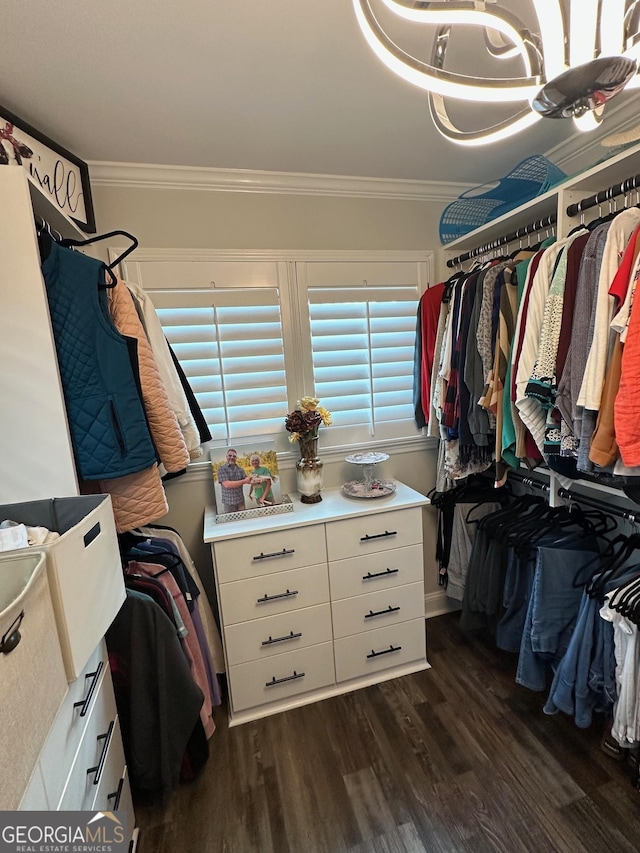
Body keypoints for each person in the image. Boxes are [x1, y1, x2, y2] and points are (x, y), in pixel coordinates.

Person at [216, 449, 251, 513]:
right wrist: (244, 481)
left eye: (234, 456)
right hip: (228, 503)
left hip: (241, 502)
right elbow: (227, 485)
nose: (232, 457)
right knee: (231, 522)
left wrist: (259, 479)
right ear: (226, 457)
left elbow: (249, 480)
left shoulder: (240, 470)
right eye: (230, 455)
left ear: (236, 458)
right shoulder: (221, 469)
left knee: (243, 520)